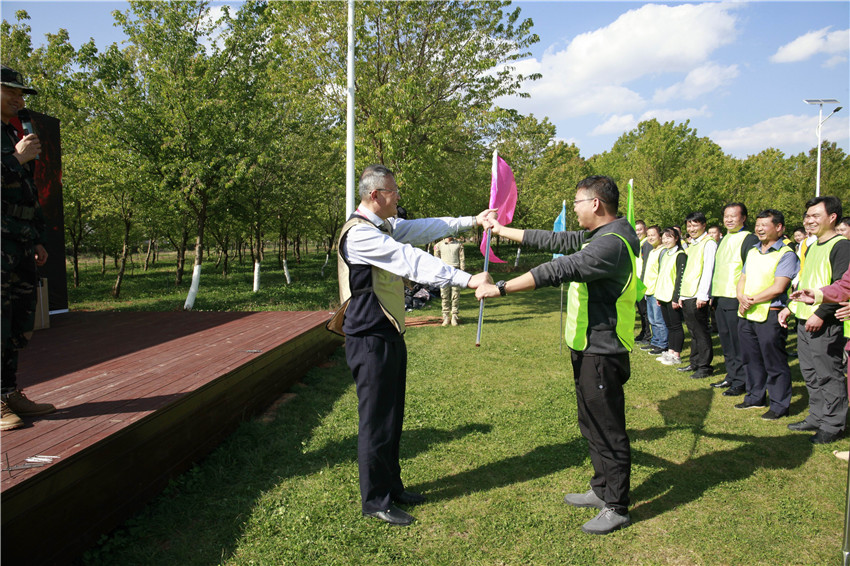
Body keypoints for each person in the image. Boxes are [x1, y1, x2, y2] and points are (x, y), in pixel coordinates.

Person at [476, 175, 638, 535]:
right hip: (586, 345)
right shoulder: (601, 234)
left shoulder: (611, 244)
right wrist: (501, 229)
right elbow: (551, 240)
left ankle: (617, 505)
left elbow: (558, 268)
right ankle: (601, 489)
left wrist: (500, 288)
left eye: (578, 202)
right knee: (591, 423)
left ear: (596, 204)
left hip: (603, 350)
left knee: (609, 429)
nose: (575, 209)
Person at [336, 164, 493, 526]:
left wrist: (472, 220)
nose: (398, 198)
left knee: (392, 417)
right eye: (393, 192)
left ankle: (393, 487)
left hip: (387, 333)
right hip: (369, 338)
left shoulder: (383, 225)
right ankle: (376, 500)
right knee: (376, 422)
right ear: (375, 196)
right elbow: (411, 260)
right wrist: (468, 280)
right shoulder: (361, 235)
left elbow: (426, 227)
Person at [1, 65, 55, 431]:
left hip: (17, 242)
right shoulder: (13, 146)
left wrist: (36, 237)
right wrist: (14, 158)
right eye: (12, 92)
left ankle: (8, 393)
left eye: (21, 94)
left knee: (16, 324)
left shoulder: (11, 134)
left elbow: (26, 193)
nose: (20, 99)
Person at [779, 196, 850, 444]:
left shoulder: (841, 246)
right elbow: (806, 282)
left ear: (832, 218)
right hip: (803, 318)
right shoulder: (812, 245)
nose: (809, 220)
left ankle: (833, 424)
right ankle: (817, 415)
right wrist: (791, 307)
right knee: (810, 373)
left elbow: (842, 285)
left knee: (828, 373)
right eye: (807, 216)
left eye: (815, 216)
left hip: (824, 322)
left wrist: (821, 314)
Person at [736, 210, 798, 419]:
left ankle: (780, 405)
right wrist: (740, 296)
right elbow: (742, 278)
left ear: (779, 227)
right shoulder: (753, 251)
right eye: (758, 225)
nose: (759, 229)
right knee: (750, 358)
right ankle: (755, 396)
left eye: (765, 225)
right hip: (747, 314)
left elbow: (779, 287)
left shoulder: (786, 254)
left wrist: (749, 300)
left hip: (770, 314)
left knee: (774, 361)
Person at [709, 203, 759, 395]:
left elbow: (750, 269)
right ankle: (731, 375)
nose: (729, 220)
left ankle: (742, 380)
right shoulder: (723, 239)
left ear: (744, 218)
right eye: (726, 216)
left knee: (739, 343)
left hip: (735, 297)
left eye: (733, 216)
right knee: (726, 341)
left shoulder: (749, 238)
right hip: (720, 297)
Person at [677, 212, 717, 379]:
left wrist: (703, 295)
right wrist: (681, 295)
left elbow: (708, 270)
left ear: (703, 225)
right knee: (693, 331)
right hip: (687, 293)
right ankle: (694, 362)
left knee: (701, 332)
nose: (691, 228)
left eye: (695, 225)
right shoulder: (692, 244)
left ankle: (704, 366)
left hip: (697, 295)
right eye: (689, 225)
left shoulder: (709, 244)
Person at [654, 227, 687, 366]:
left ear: (676, 238)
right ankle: (670, 351)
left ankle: (676, 354)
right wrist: (658, 295)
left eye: (669, 237)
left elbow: (680, 278)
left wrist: (676, 298)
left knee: (676, 326)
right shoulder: (666, 253)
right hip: (663, 295)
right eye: (664, 237)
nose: (666, 240)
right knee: (669, 325)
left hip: (672, 296)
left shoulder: (680, 254)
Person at [638, 225, 667, 355]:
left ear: (660, 236)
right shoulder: (652, 251)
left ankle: (663, 344)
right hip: (648, 290)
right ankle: (655, 342)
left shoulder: (663, 251)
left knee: (659, 320)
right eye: (648, 235)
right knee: (652, 319)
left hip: (657, 291)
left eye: (653, 235)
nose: (650, 237)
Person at [432, 235, 465, 326]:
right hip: (444, 273)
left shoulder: (458, 244)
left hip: (456, 272)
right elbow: (436, 259)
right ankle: (445, 316)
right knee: (444, 295)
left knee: (455, 295)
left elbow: (462, 259)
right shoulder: (438, 245)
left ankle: (454, 316)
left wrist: (462, 272)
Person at [634, 220, 651, 344]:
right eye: (636, 230)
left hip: (643, 282)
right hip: (637, 282)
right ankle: (644, 332)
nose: (637, 232)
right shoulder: (639, 244)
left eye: (640, 229)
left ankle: (648, 335)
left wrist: (643, 281)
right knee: (641, 311)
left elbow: (646, 265)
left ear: (645, 229)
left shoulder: (647, 244)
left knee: (646, 312)